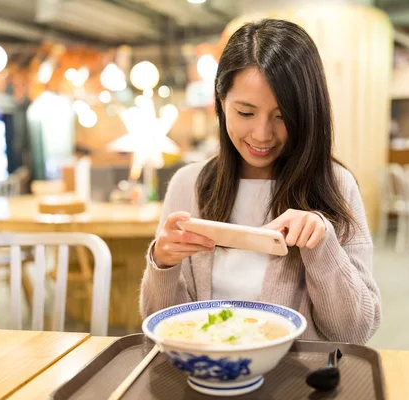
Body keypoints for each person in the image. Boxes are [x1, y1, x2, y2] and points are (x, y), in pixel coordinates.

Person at [139, 19, 381, 344]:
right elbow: (164, 327)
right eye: (246, 113)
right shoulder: (189, 184)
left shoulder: (335, 184)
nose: (262, 134)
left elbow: (355, 332)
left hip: (298, 382)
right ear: (221, 103)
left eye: (282, 116)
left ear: (309, 112)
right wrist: (163, 264)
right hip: (207, 377)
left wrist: (322, 245)